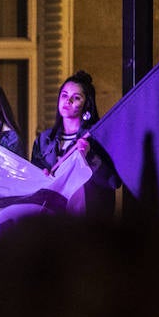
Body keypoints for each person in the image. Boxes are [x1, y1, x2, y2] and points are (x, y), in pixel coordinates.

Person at [31, 70, 118, 216]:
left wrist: (89, 156)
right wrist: (40, 176)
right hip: (52, 220)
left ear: (86, 104)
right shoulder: (44, 140)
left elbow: (112, 182)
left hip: (87, 221)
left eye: (76, 97)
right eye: (64, 95)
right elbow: (33, 182)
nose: (68, 101)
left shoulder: (97, 138)